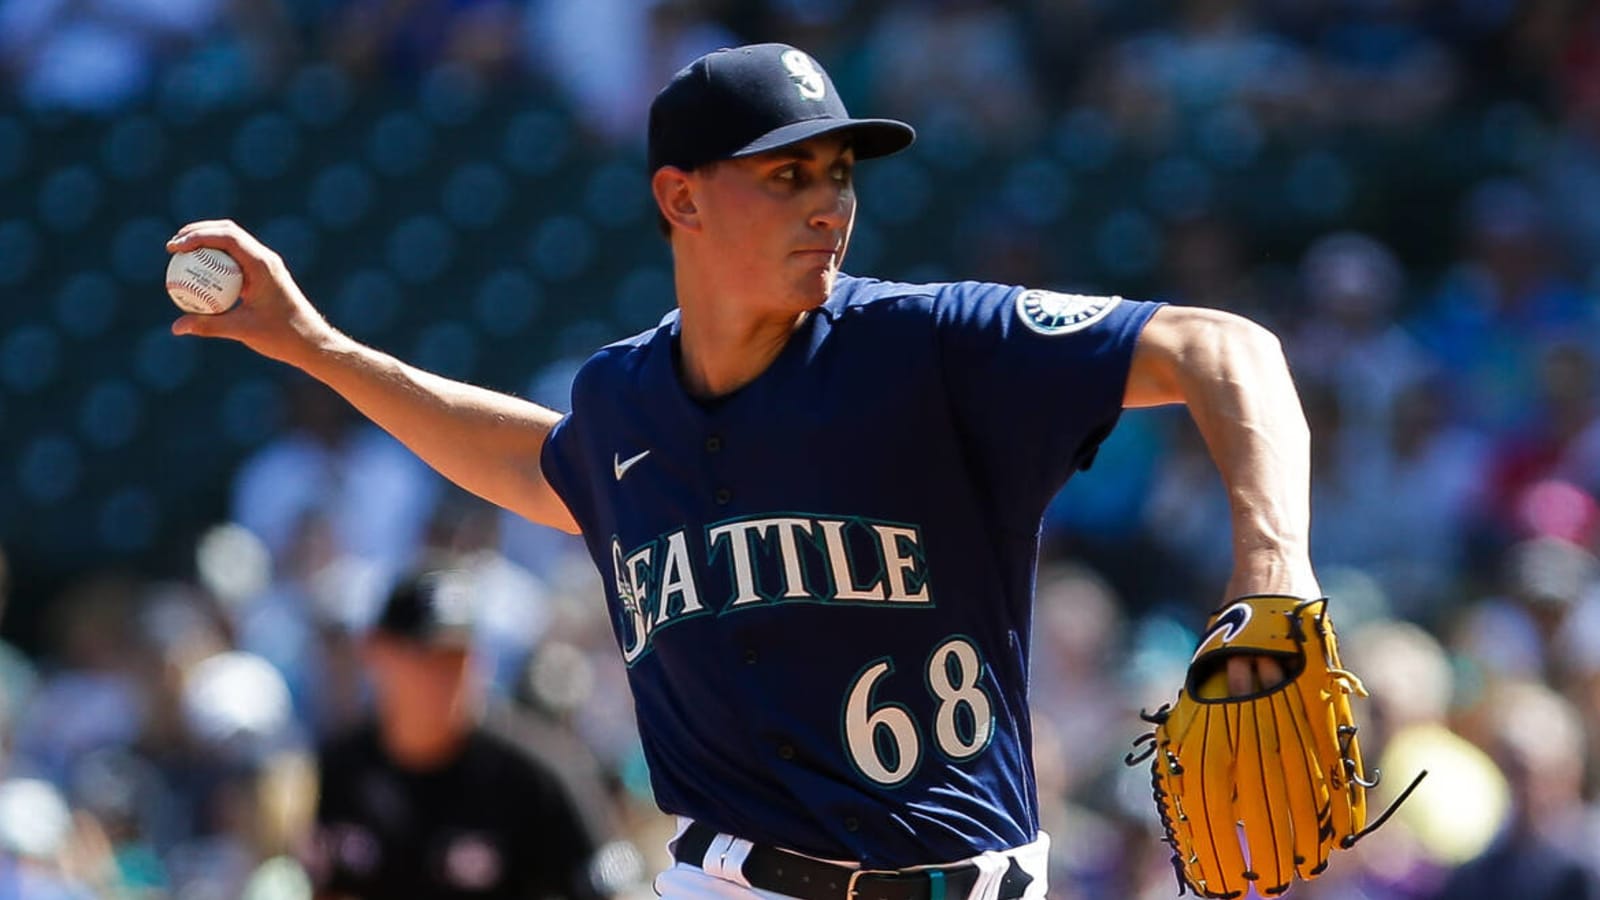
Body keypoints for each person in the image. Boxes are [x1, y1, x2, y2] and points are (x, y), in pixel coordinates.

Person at [168, 42, 1315, 900]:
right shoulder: (624, 402)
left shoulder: (931, 346)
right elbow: (539, 465)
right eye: (786, 176)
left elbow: (1226, 348)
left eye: (838, 175)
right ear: (680, 198)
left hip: (959, 879)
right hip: (723, 881)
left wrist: (1272, 570)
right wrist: (315, 348)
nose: (829, 203)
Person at [304, 569, 609, 900]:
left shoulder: (538, 773)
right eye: (424, 654)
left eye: (457, 656)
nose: (443, 674)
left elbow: (614, 889)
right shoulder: (341, 768)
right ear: (376, 650)